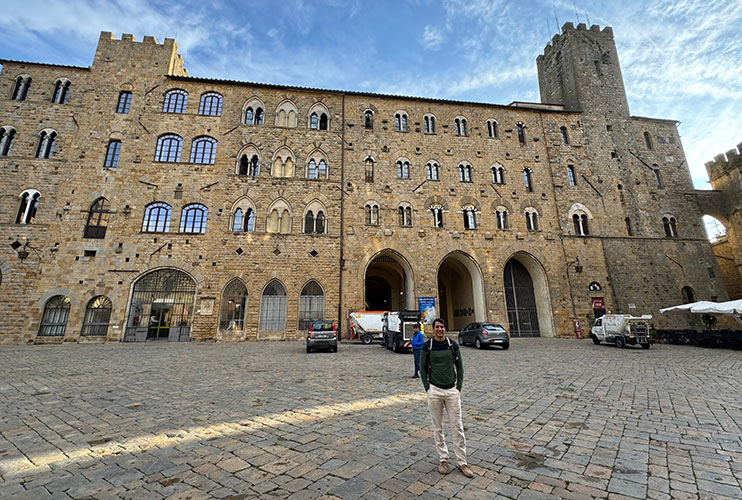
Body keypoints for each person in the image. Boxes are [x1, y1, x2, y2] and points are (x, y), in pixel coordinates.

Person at [419, 317, 473, 478]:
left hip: (451, 391)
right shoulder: (427, 346)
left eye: (442, 327)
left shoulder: (452, 346)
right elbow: (422, 367)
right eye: (437, 327)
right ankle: (443, 459)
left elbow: (460, 367)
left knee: (457, 426)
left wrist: (459, 387)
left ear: (445, 329)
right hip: (434, 390)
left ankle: (462, 462)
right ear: (433, 329)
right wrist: (427, 388)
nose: (440, 329)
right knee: (438, 427)